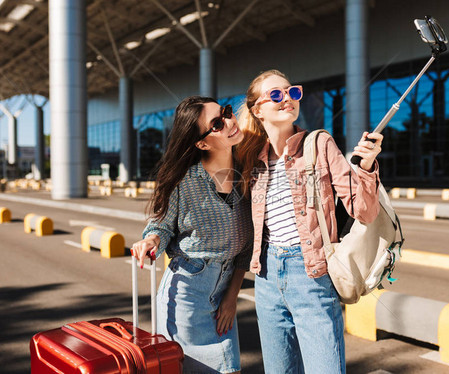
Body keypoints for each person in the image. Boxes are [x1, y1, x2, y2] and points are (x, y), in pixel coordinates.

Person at [236, 70, 382, 374]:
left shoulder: (319, 143)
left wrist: (366, 165)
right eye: (276, 95)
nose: (287, 98)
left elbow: (364, 211)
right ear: (257, 109)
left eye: (292, 92)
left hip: (312, 275)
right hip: (265, 278)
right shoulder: (250, 158)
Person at [131, 96, 253, 374]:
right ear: (202, 143)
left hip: (224, 293)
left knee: (228, 368)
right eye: (217, 124)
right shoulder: (185, 182)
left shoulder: (248, 175)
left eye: (227, 113)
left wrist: (232, 297)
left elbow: (246, 249)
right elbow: (161, 225)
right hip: (186, 295)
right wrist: (151, 240)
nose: (230, 122)